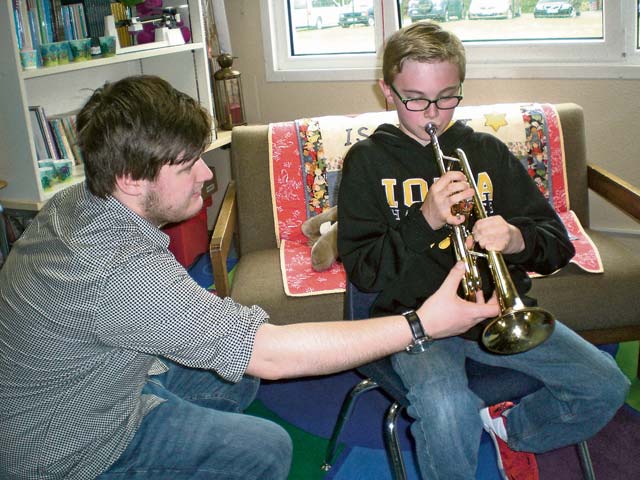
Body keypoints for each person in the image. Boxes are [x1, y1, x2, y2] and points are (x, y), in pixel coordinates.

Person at [0, 75, 500, 480]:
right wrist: (421, 324)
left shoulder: (79, 201)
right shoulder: (113, 267)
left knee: (237, 376)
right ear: (130, 178)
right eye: (187, 165)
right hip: (64, 453)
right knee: (264, 448)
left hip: (73, 391)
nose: (206, 175)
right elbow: (271, 353)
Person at [337, 21, 630, 480]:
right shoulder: (367, 161)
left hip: (498, 313)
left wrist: (516, 238)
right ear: (387, 92)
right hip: (417, 325)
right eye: (415, 99)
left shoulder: (486, 152)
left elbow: (556, 245)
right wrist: (424, 219)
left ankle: (511, 431)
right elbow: (365, 272)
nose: (432, 114)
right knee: (447, 408)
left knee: (605, 384)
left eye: (446, 97)